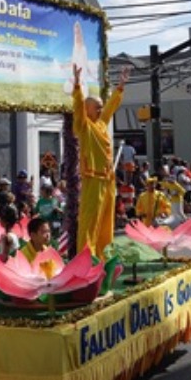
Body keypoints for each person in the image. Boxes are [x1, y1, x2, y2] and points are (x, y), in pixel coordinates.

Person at [72, 62, 129, 256]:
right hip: (93, 179)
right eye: (97, 107)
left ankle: (104, 256)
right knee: (90, 221)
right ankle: (86, 258)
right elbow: (78, 109)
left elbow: (111, 108)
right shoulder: (84, 126)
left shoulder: (102, 124)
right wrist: (77, 87)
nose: (100, 110)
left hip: (108, 180)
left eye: (100, 107)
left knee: (106, 222)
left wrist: (120, 87)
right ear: (88, 109)